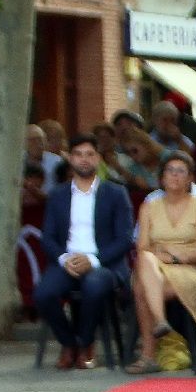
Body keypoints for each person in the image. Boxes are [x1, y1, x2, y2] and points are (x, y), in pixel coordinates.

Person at [35, 134, 132, 369]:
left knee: (94, 285)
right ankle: (69, 343)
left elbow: (124, 238)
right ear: (70, 158)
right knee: (43, 294)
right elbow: (47, 237)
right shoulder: (58, 195)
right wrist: (64, 258)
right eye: (78, 154)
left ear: (98, 158)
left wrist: (92, 259)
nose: (84, 160)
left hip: (103, 263)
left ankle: (87, 342)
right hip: (67, 260)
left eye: (90, 154)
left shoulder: (115, 193)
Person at [126, 151, 196, 374]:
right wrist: (162, 257)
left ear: (190, 178)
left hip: (191, 269)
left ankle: (148, 354)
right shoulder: (149, 206)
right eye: (170, 171)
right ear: (162, 177)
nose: (174, 176)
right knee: (145, 261)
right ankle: (161, 321)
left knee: (141, 288)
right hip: (155, 267)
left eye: (180, 171)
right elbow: (142, 247)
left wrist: (175, 257)